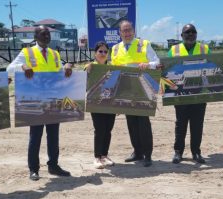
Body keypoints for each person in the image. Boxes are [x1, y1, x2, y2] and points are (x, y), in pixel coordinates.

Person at [7, 25, 72, 180]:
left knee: (53, 136)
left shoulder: (54, 54)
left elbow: (58, 73)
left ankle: (54, 166)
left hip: (52, 100)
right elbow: (9, 68)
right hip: (34, 101)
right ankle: (33, 169)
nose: (46, 37)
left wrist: (66, 67)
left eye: (48, 34)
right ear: (35, 36)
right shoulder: (27, 52)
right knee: (35, 136)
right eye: (43, 34)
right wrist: (22, 66)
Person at [111, 20, 160, 167]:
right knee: (131, 122)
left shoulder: (144, 44)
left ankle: (147, 155)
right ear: (120, 33)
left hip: (142, 89)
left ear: (133, 31)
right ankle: (137, 152)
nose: (127, 33)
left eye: (129, 30)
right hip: (125, 90)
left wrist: (148, 64)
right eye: (124, 31)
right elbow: (113, 70)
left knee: (143, 122)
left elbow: (157, 62)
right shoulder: (114, 49)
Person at [167, 24, 210, 164]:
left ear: (196, 34)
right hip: (180, 95)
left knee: (197, 125)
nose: (190, 34)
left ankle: (196, 152)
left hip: (199, 94)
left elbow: (213, 66)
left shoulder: (205, 48)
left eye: (193, 32)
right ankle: (178, 152)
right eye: (187, 32)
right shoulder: (173, 50)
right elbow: (167, 69)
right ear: (182, 35)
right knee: (181, 125)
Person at [85, 41, 116, 169]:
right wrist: (87, 69)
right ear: (95, 53)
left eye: (105, 51)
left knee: (108, 130)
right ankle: (97, 157)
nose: (103, 54)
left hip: (110, 104)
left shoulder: (113, 67)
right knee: (99, 130)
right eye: (100, 51)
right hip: (96, 103)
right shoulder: (90, 67)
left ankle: (104, 155)